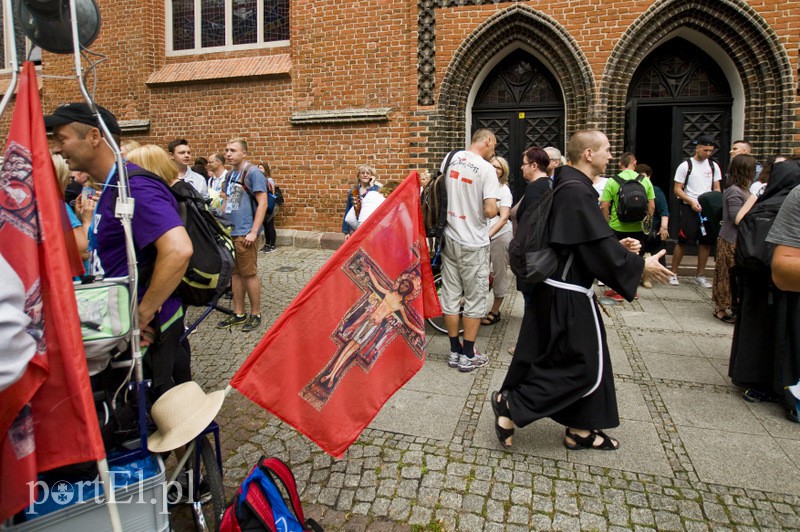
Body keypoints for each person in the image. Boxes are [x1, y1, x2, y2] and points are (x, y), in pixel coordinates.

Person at [491, 130, 672, 450]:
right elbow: (592, 247)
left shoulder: (569, 186)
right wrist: (638, 266)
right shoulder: (575, 190)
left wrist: (616, 245)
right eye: (605, 149)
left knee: (578, 359)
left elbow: (583, 241)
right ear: (588, 153)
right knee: (584, 366)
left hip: (562, 289)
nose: (610, 155)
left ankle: (580, 430)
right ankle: (512, 405)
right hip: (568, 294)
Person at [45, 103, 193, 398]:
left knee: (159, 422)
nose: (58, 149)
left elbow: (178, 249)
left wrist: (142, 313)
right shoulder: (111, 185)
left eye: (62, 139)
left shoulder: (134, 187)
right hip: (121, 332)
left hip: (149, 335)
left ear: (94, 136)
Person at [729, 159, 800, 405]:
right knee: (781, 334)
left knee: (753, 332)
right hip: (783, 285)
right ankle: (780, 383)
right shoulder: (790, 203)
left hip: (754, 279)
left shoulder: (762, 202)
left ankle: (749, 378)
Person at [440, 128, 499, 372]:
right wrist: (494, 206)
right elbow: (489, 211)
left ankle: (454, 351)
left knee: (451, 295)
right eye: (494, 145)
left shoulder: (450, 157)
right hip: (473, 242)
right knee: (475, 299)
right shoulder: (486, 170)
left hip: (450, 236)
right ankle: (468, 355)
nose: (494, 150)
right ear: (487, 141)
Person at [217, 138, 269, 333]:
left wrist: (254, 232)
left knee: (249, 274)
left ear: (244, 153)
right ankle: (239, 312)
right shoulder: (231, 175)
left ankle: (255, 313)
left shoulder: (253, 173)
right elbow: (228, 201)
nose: (228, 154)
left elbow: (262, 203)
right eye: (227, 150)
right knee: (235, 274)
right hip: (232, 231)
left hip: (246, 232)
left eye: (233, 150)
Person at [506, 146, 553, 356]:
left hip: (532, 257)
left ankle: (530, 346)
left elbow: (532, 227)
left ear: (534, 166)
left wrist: (518, 250)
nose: (521, 167)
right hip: (540, 256)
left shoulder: (535, 189)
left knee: (531, 304)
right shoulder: (548, 186)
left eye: (524, 163)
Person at [600, 152, 655, 301]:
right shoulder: (644, 180)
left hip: (617, 226)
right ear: (634, 163)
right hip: (637, 227)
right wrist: (646, 222)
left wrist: (606, 223)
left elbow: (604, 205)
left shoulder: (612, 181)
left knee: (616, 258)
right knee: (634, 257)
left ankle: (617, 290)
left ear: (620, 164)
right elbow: (652, 205)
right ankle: (632, 290)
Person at [669, 135, 722, 287]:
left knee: (706, 242)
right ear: (698, 147)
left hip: (707, 208)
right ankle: (673, 273)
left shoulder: (713, 166)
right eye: (705, 150)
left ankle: (700, 275)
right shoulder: (686, 165)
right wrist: (691, 200)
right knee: (683, 240)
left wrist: (716, 204)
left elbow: (716, 188)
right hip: (689, 206)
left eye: (711, 151)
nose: (708, 154)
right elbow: (677, 189)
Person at [712, 155, 754, 323]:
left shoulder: (744, 190)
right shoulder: (735, 190)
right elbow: (736, 217)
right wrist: (753, 200)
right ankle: (721, 309)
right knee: (725, 275)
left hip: (738, 239)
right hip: (730, 239)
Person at [482, 156, 513, 326]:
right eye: (491, 166)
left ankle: (495, 310)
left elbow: (504, 218)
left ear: (503, 172)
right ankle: (477, 305)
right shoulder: (483, 187)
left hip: (500, 236)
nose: (494, 170)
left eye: (498, 168)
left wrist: (488, 235)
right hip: (482, 237)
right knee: (481, 272)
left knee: (499, 272)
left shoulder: (503, 190)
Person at [636, 164, 669, 287]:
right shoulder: (633, 190)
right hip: (635, 226)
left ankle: (647, 277)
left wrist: (664, 227)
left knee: (649, 248)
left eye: (645, 177)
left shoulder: (656, 191)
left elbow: (664, 210)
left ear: (649, 177)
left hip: (651, 228)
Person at [342, 165, 380, 235]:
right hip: (357, 224)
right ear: (358, 176)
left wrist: (372, 185)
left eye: (368, 173)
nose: (365, 175)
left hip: (373, 225)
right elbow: (349, 209)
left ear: (372, 176)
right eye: (362, 173)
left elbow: (376, 199)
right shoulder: (353, 191)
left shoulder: (377, 189)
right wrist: (346, 232)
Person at [258, 161, 278, 253]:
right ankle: (267, 244)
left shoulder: (269, 180)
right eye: (258, 168)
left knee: (270, 225)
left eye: (261, 168)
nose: (259, 170)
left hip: (270, 205)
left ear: (266, 169)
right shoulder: (261, 180)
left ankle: (273, 245)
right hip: (264, 205)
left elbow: (271, 192)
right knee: (265, 226)